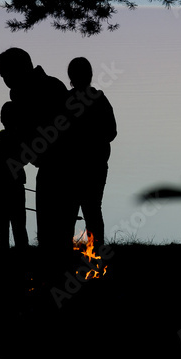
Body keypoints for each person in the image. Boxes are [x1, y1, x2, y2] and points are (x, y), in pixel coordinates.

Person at [0, 48, 75, 262]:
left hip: (61, 162)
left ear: (19, 70)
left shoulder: (50, 88)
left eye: (6, 75)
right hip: (46, 163)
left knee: (57, 223)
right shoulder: (23, 92)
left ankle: (58, 266)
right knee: (49, 224)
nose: (5, 81)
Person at [65, 57, 117, 247]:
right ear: (90, 75)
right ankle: (96, 251)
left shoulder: (65, 100)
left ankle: (66, 253)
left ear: (70, 76)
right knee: (93, 209)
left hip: (71, 165)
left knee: (69, 210)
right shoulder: (100, 99)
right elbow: (112, 132)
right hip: (96, 164)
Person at [0, 102, 29, 250]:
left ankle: (2, 254)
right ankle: (22, 254)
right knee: (19, 226)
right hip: (16, 186)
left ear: (2, 119)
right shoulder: (23, 140)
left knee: (0, 226)